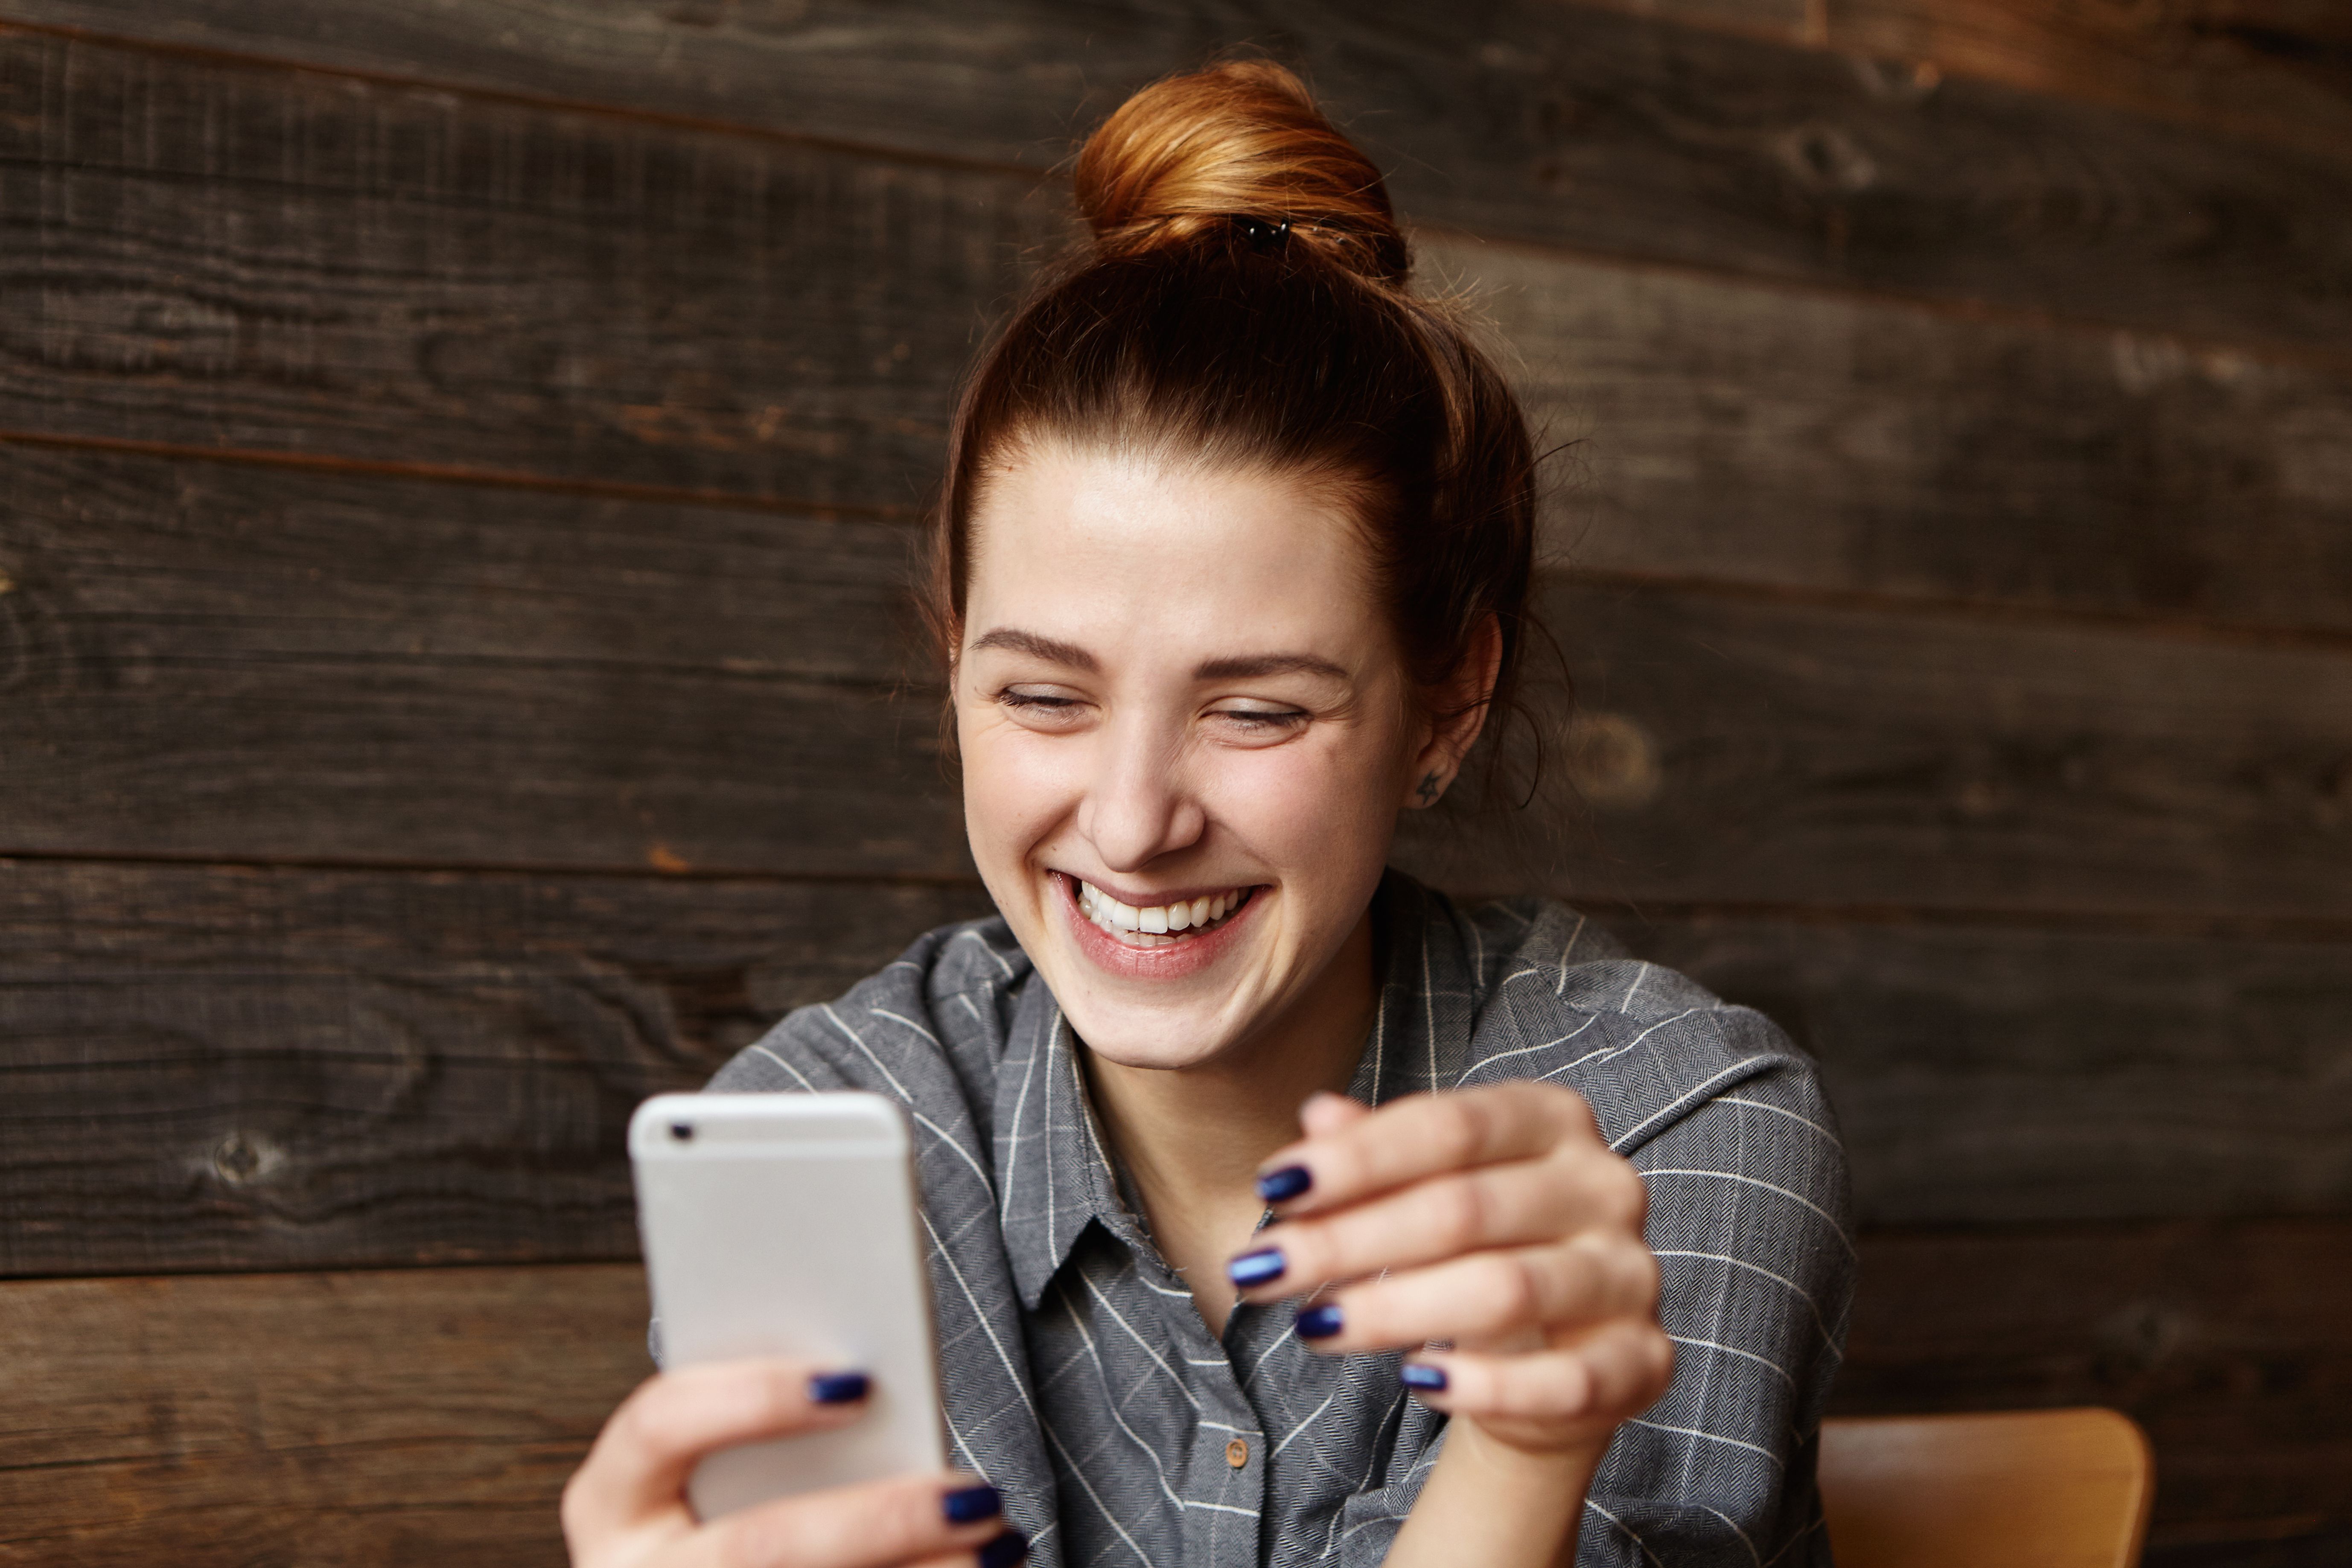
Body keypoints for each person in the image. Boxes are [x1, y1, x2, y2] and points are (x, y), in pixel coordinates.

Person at [562, 59, 1851, 1568]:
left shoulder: (1676, 1129)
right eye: (1044, 696)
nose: (1128, 823)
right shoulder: (824, 1141)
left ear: (1448, 701)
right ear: (952, 665)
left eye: (1257, 710)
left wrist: (1527, 1448)